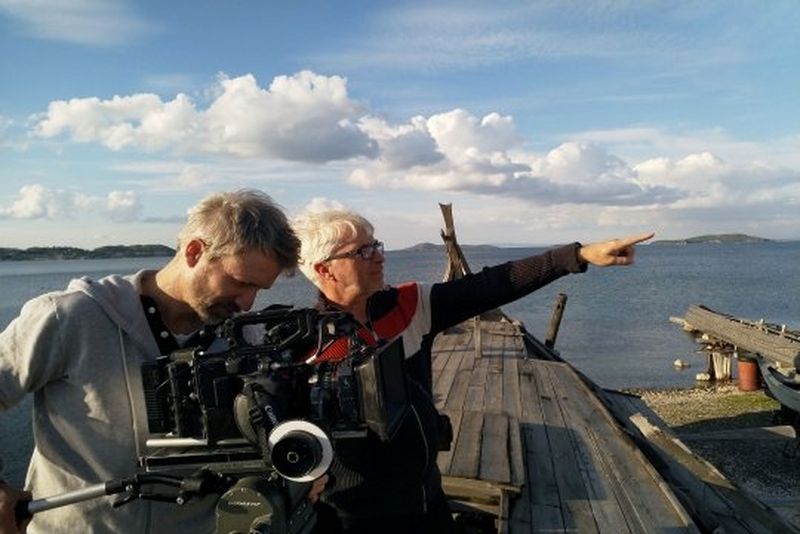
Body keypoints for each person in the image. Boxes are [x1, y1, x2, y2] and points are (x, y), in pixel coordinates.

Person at [292, 207, 654, 533]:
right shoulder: (304, 347)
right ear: (324, 269)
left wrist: (576, 255)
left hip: (427, 494)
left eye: (376, 246)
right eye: (363, 251)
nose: (380, 256)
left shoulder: (411, 305)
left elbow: (494, 284)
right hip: (356, 515)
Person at [0, 189, 300, 533]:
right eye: (240, 282)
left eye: (259, 290)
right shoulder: (69, 316)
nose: (247, 303)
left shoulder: (247, 338)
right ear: (194, 252)